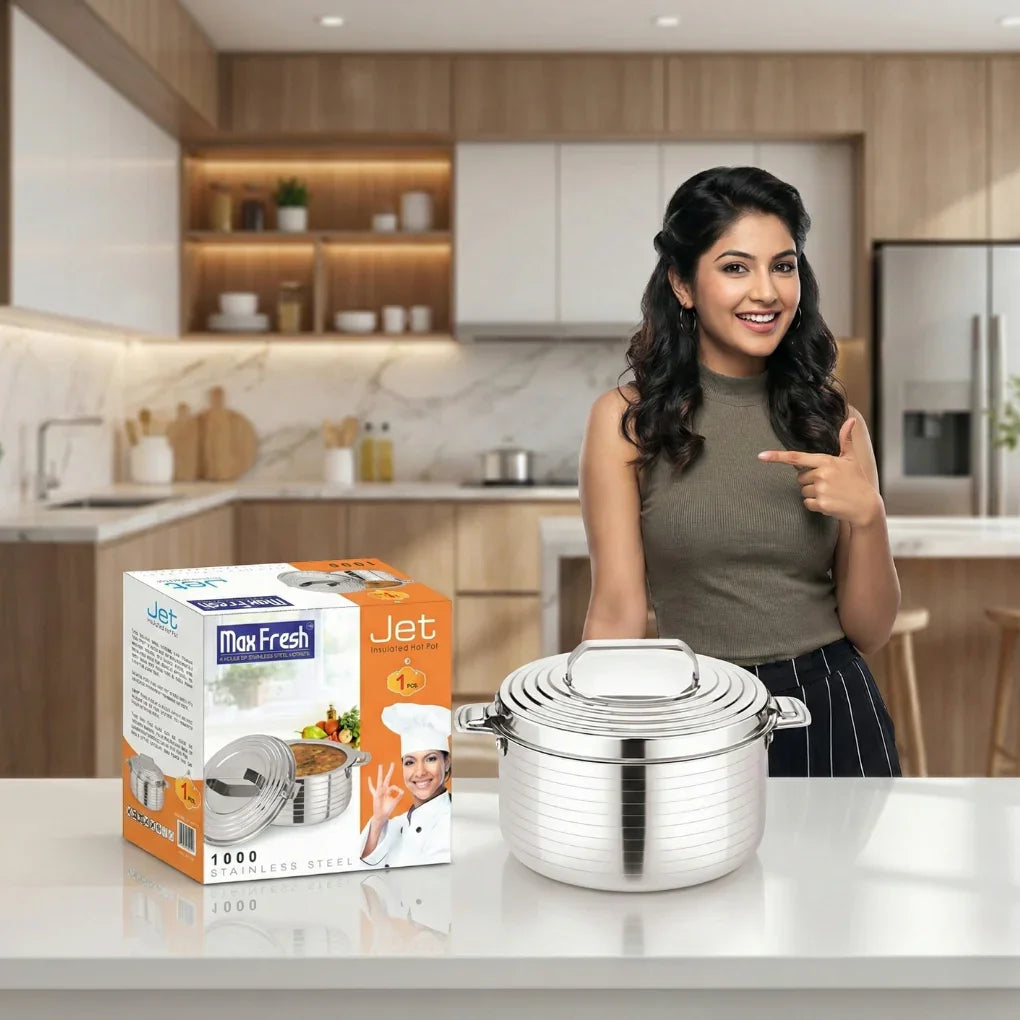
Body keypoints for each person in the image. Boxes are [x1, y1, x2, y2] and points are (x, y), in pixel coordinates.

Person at [579, 165, 901, 779]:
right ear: (682, 284)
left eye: (783, 266)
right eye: (735, 267)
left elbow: (870, 629)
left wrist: (869, 516)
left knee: (840, 879)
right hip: (693, 709)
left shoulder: (836, 421)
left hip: (829, 706)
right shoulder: (626, 421)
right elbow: (618, 610)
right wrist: (591, 740)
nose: (767, 292)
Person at [360, 703, 451, 866]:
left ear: (447, 762)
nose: (420, 772)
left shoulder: (449, 820)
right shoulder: (398, 823)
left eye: (430, 759)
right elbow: (361, 869)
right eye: (410, 762)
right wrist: (378, 820)